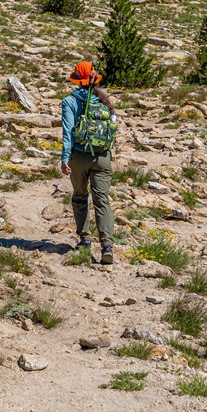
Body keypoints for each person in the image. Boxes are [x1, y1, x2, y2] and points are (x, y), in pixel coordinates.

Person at [61, 61, 116, 265]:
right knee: (102, 200)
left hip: (79, 156)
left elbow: (67, 132)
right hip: (102, 156)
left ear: (77, 80)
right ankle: (107, 246)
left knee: (80, 197)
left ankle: (84, 240)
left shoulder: (70, 101)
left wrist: (64, 158)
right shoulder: (104, 100)